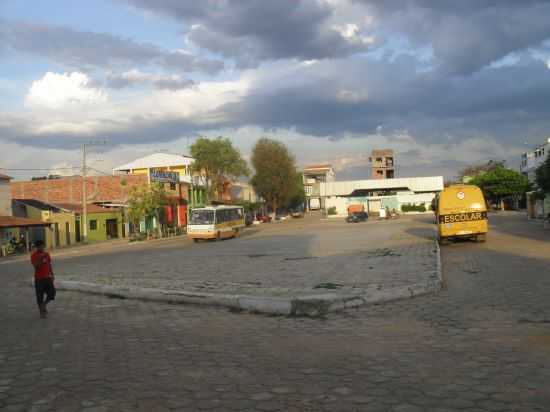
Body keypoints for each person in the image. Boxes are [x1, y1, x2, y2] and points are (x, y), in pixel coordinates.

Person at [31, 240, 56, 319]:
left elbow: (49, 264)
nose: (42, 248)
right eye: (40, 246)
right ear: (37, 247)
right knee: (39, 296)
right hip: (39, 279)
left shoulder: (47, 254)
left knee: (52, 292)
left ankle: (44, 305)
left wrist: (52, 274)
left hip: (47, 277)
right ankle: (42, 312)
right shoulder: (34, 255)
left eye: (43, 246)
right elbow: (36, 266)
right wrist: (40, 259)